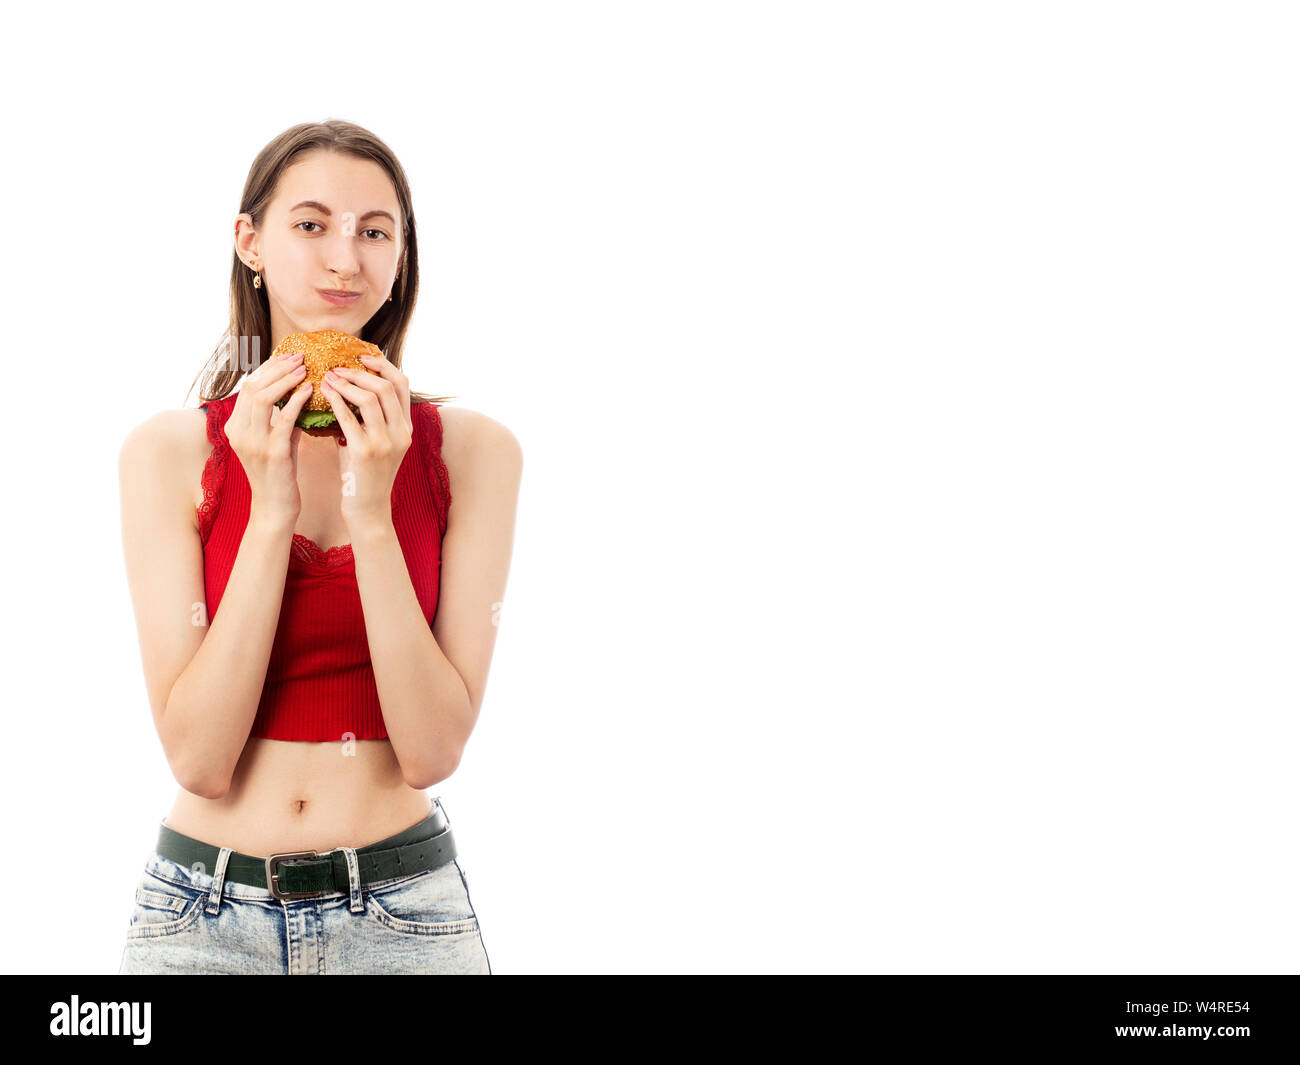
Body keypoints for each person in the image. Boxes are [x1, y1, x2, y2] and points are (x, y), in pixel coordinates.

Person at [116, 120, 522, 974]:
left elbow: (432, 751)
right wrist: (271, 512)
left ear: (401, 258)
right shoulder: (169, 453)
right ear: (250, 241)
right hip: (202, 915)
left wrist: (372, 515)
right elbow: (200, 758)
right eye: (311, 224)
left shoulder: (473, 452)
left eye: (376, 231)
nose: (346, 259)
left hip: (406, 917)